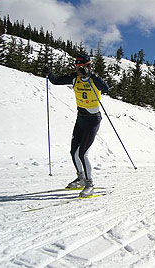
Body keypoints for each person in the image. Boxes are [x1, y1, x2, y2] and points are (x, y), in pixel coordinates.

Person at [43, 54, 109, 197]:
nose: (79, 69)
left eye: (82, 67)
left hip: (93, 120)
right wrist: (49, 74)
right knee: (73, 152)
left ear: (89, 66)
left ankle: (89, 183)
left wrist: (91, 76)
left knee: (83, 153)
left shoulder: (94, 78)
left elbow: (106, 87)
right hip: (81, 119)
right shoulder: (74, 78)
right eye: (77, 66)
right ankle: (81, 178)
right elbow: (56, 81)